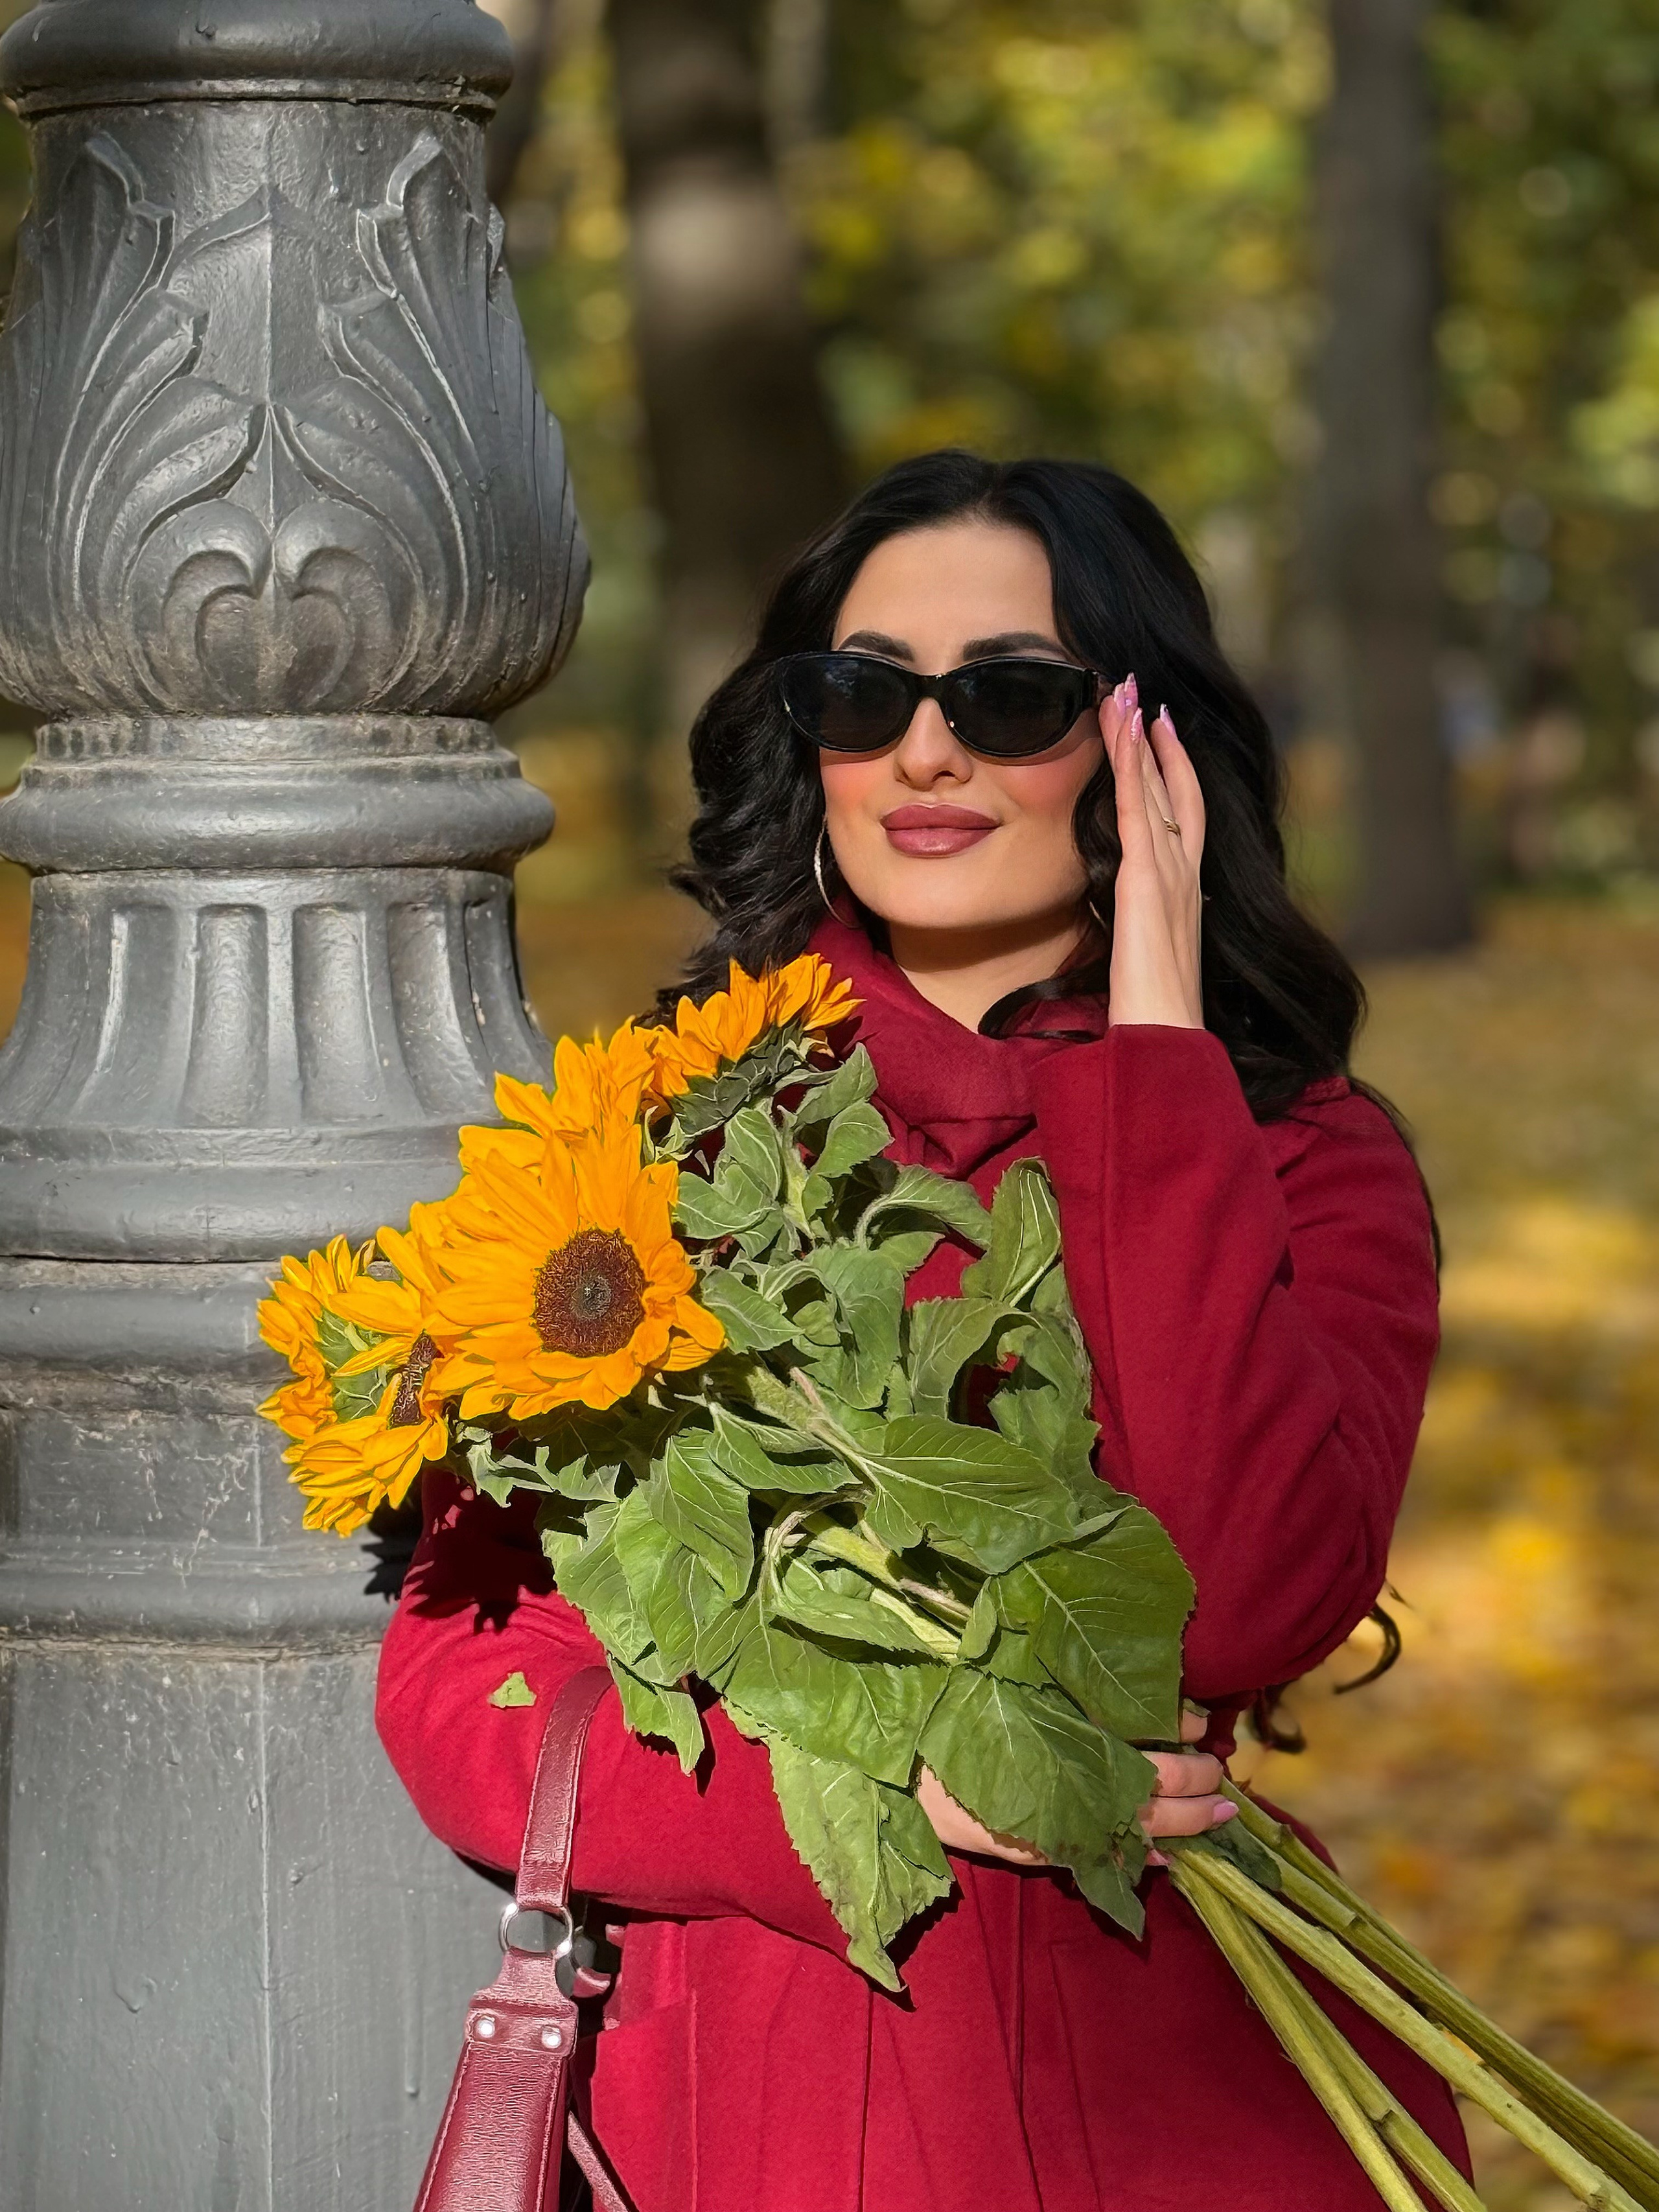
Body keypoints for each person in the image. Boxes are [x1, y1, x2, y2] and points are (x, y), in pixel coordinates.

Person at [378, 450, 1470, 2210]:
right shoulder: (653, 1162)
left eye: (1013, 698)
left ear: (1144, 752)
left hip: (1171, 2110)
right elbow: (459, 1688)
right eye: (863, 695)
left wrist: (1159, 1063)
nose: (928, 752)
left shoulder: (1302, 1161)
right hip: (766, 2109)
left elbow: (1244, 1602)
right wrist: (863, 1789)